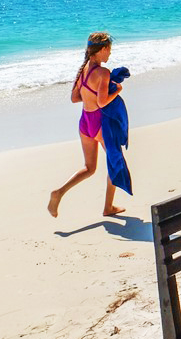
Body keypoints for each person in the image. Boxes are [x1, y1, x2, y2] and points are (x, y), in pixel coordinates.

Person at [48, 32, 126, 217]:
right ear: (103, 49)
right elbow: (102, 102)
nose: (110, 55)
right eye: (109, 51)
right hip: (99, 122)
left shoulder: (83, 70)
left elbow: (75, 98)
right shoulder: (103, 72)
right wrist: (117, 90)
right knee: (116, 164)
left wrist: (91, 93)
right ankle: (108, 207)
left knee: (90, 168)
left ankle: (59, 192)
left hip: (85, 122)